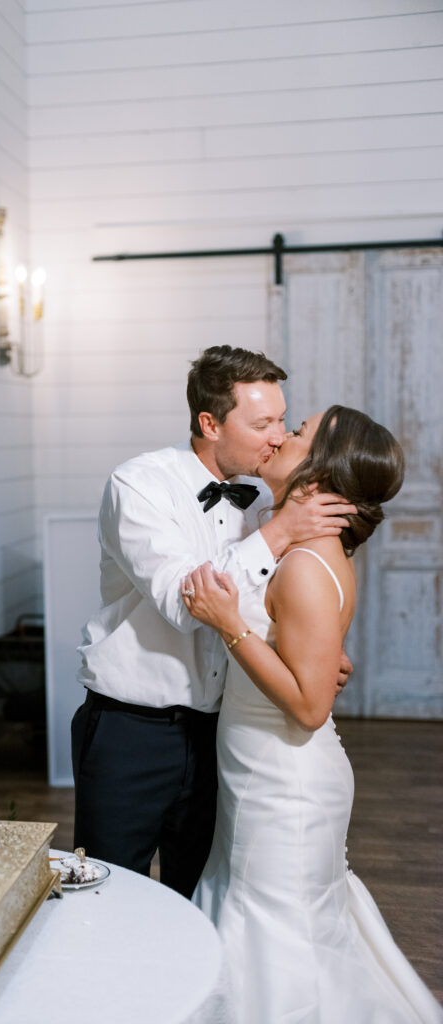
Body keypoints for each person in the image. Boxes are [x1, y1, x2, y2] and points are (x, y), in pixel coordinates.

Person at [183, 406, 443, 1024]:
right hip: (266, 771)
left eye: (299, 433)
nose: (283, 436)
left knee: (277, 940)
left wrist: (230, 626)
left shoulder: (303, 565)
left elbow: (308, 706)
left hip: (284, 782)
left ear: (321, 469)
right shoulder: (303, 550)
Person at [73, 345, 355, 898]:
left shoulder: (264, 497)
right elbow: (187, 605)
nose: (278, 436)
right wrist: (280, 532)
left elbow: (270, 606)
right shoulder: (139, 485)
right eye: (262, 423)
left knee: (198, 894)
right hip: (133, 731)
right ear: (210, 422)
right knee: (108, 890)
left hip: (224, 734)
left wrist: (312, 655)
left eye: (282, 419)